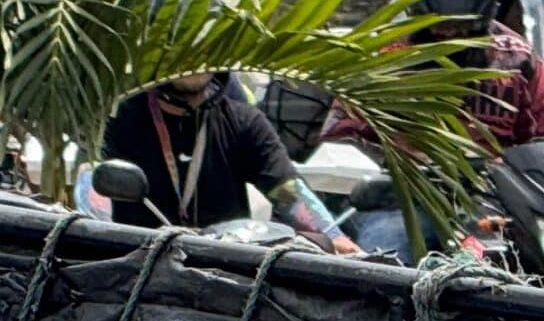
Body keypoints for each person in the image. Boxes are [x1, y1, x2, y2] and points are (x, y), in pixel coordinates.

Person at [321, 0, 544, 156]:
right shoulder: (383, 58)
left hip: (498, 192)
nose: (449, 37)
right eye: (439, 27)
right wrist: (396, 152)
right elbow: (341, 143)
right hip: (402, 189)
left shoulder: (518, 59)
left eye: (460, 28)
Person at [99, 64, 361, 251]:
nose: (195, 57)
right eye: (182, 42)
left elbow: (288, 192)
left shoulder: (245, 121)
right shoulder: (120, 119)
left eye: (207, 42)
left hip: (225, 280)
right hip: (139, 274)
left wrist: (333, 237)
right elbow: (95, 191)